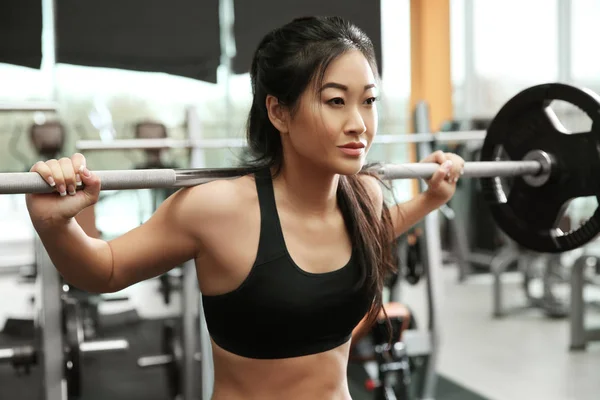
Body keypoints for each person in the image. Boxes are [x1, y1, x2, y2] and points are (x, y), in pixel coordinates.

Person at [26, 16, 464, 400]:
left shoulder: (363, 194)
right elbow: (104, 270)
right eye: (335, 101)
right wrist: (55, 226)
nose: (358, 124)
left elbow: (369, 232)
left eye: (368, 101)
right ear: (278, 112)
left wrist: (429, 199)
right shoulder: (217, 208)